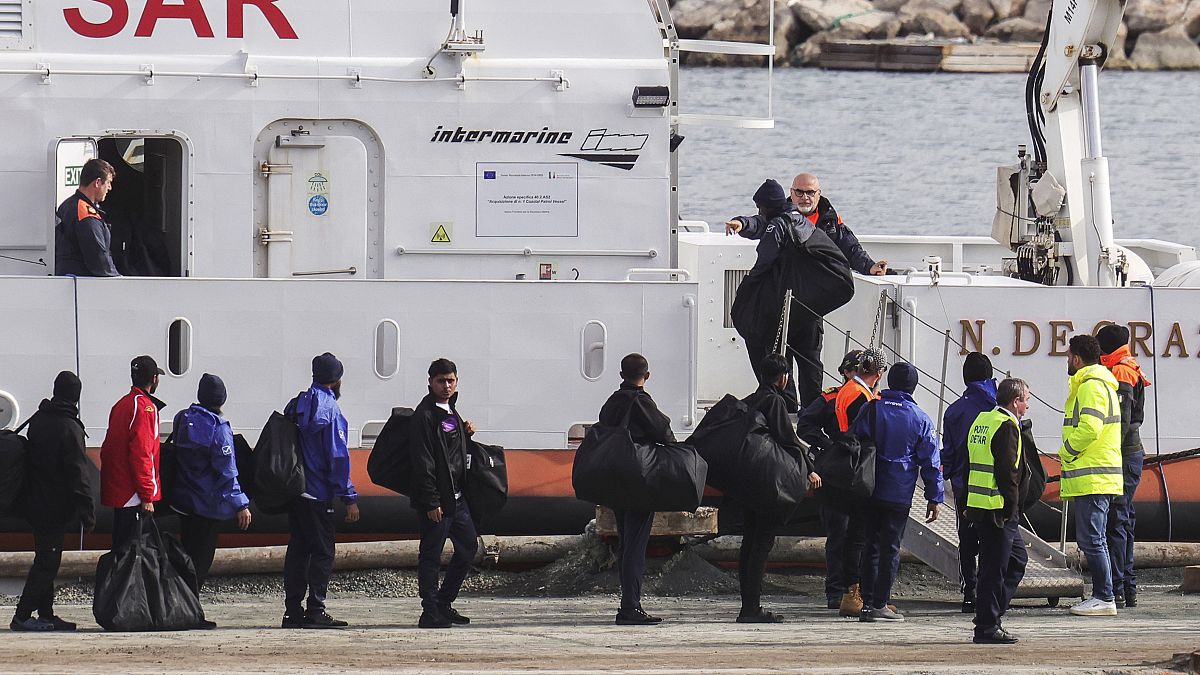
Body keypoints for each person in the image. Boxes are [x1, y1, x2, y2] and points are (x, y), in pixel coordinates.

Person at [726, 179, 851, 410]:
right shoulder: (797, 220)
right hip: (809, 305)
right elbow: (757, 223)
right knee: (810, 361)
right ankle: (813, 411)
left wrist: (749, 287)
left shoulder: (779, 224)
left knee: (780, 353)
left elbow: (765, 258)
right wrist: (741, 223)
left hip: (787, 307)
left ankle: (787, 404)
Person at [797, 347, 885, 615]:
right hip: (836, 473)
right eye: (850, 370)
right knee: (839, 534)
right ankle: (837, 591)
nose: (853, 374)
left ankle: (854, 590)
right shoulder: (833, 398)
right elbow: (805, 426)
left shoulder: (869, 397)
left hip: (857, 471)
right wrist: (830, 445)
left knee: (857, 535)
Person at [852, 363, 943, 623]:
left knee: (869, 544)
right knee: (890, 547)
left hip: (868, 487)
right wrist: (934, 497)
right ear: (913, 387)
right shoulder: (920, 418)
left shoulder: (870, 408)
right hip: (898, 492)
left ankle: (867, 601)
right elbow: (931, 462)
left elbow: (853, 441)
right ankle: (880, 603)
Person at [736, 354, 822, 623]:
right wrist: (810, 468)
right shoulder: (774, 401)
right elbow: (788, 439)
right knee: (761, 544)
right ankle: (751, 608)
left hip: (748, 481)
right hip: (767, 483)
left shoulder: (751, 400)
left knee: (749, 544)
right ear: (784, 378)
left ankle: (747, 604)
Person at [11, 371, 95, 632]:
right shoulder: (69, 428)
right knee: (48, 562)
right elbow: (78, 473)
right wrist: (87, 511)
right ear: (76, 398)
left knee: (44, 557)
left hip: (34, 502)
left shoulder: (40, 419)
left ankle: (46, 614)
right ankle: (22, 615)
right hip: (53, 507)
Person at [281, 353, 360, 629]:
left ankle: (292, 611)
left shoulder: (297, 404)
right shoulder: (331, 410)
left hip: (297, 490)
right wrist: (349, 497)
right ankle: (316, 608)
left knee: (298, 550)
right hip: (319, 493)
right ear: (337, 379)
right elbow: (337, 457)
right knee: (324, 552)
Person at [597, 353, 675, 626]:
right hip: (639, 482)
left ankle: (628, 603)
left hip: (616, 480)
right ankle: (630, 606)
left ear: (621, 375)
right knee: (635, 544)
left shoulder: (611, 403)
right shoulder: (641, 401)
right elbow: (663, 431)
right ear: (647, 375)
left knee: (626, 541)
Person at [410, 358, 480, 629]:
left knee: (468, 546)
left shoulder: (451, 410)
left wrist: (466, 435)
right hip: (438, 499)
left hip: (457, 497)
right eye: (441, 381)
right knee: (431, 554)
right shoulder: (425, 415)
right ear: (430, 383)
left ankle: (444, 602)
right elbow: (423, 461)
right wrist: (431, 500)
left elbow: (451, 450)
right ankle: (429, 611)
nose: (447, 386)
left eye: (451, 380)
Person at [170, 374, 251, 598]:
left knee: (187, 554)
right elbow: (226, 470)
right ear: (221, 399)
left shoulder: (183, 418)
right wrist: (240, 504)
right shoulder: (219, 427)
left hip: (185, 501)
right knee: (201, 560)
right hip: (208, 505)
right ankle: (190, 607)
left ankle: (180, 603)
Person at [1059, 334, 1123, 617]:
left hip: (1094, 475)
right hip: (1098, 474)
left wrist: (1067, 451)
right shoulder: (1100, 384)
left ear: (1077, 358)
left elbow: (1090, 428)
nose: (1067, 360)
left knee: (1093, 539)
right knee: (1094, 538)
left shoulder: (1090, 387)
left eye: (1068, 355)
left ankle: (1104, 596)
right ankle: (1103, 594)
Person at [965, 378, 1032, 645]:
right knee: (995, 569)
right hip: (998, 510)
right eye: (1026, 400)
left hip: (982, 505)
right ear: (1015, 402)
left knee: (1016, 560)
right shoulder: (1006, 427)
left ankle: (989, 616)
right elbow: (1008, 472)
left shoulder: (983, 420)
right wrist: (1012, 507)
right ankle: (987, 626)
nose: (1028, 406)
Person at [1096, 324, 1149, 609]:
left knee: (1116, 521)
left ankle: (1117, 587)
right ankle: (1127, 588)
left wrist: (1108, 455)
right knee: (1124, 520)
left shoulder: (1120, 372)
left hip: (1123, 455)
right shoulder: (1128, 365)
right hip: (1132, 454)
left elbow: (1122, 422)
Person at [940, 352, 997, 613]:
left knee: (967, 541)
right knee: (992, 540)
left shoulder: (954, 411)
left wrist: (943, 478)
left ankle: (970, 593)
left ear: (965, 378)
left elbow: (949, 452)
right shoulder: (1000, 406)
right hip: (997, 489)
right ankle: (990, 592)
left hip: (966, 487)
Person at [100, 355, 164, 550]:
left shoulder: (121, 404)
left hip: (119, 489)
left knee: (120, 548)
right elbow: (143, 453)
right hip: (133, 493)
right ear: (154, 379)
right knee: (132, 552)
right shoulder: (146, 408)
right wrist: (147, 496)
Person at [789, 173, 886, 277]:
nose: (805, 197)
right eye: (799, 192)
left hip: (820, 280)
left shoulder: (830, 219)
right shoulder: (779, 218)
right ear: (791, 193)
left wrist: (869, 266)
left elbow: (850, 248)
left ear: (818, 194)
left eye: (810, 192)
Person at [55, 158, 120, 277]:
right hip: (84, 284)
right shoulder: (85, 213)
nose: (110, 188)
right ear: (97, 183)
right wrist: (117, 279)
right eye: (108, 183)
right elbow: (99, 259)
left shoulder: (69, 204)